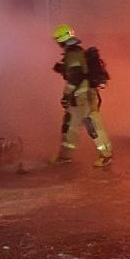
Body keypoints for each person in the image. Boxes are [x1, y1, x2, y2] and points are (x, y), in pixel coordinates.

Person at [50, 23, 113, 167]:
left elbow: (76, 77)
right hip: (80, 98)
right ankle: (65, 156)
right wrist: (62, 69)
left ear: (61, 39)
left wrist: (66, 96)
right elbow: (77, 71)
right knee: (71, 125)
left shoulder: (73, 54)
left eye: (57, 40)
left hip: (83, 97)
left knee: (93, 125)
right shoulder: (75, 53)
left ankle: (106, 156)